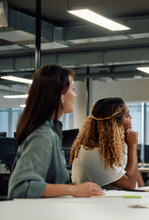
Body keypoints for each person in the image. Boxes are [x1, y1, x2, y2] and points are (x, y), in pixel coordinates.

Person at [8, 65, 104, 199]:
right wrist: (72, 189)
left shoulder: (52, 132)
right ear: (60, 95)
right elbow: (20, 188)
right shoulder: (43, 134)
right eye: (72, 89)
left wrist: (73, 187)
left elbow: (49, 181)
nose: (75, 95)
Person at [70, 98, 145, 190]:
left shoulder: (114, 146)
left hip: (116, 201)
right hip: (98, 203)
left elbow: (135, 177)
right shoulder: (92, 151)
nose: (131, 117)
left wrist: (144, 193)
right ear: (115, 123)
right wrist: (132, 146)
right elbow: (130, 184)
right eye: (127, 115)